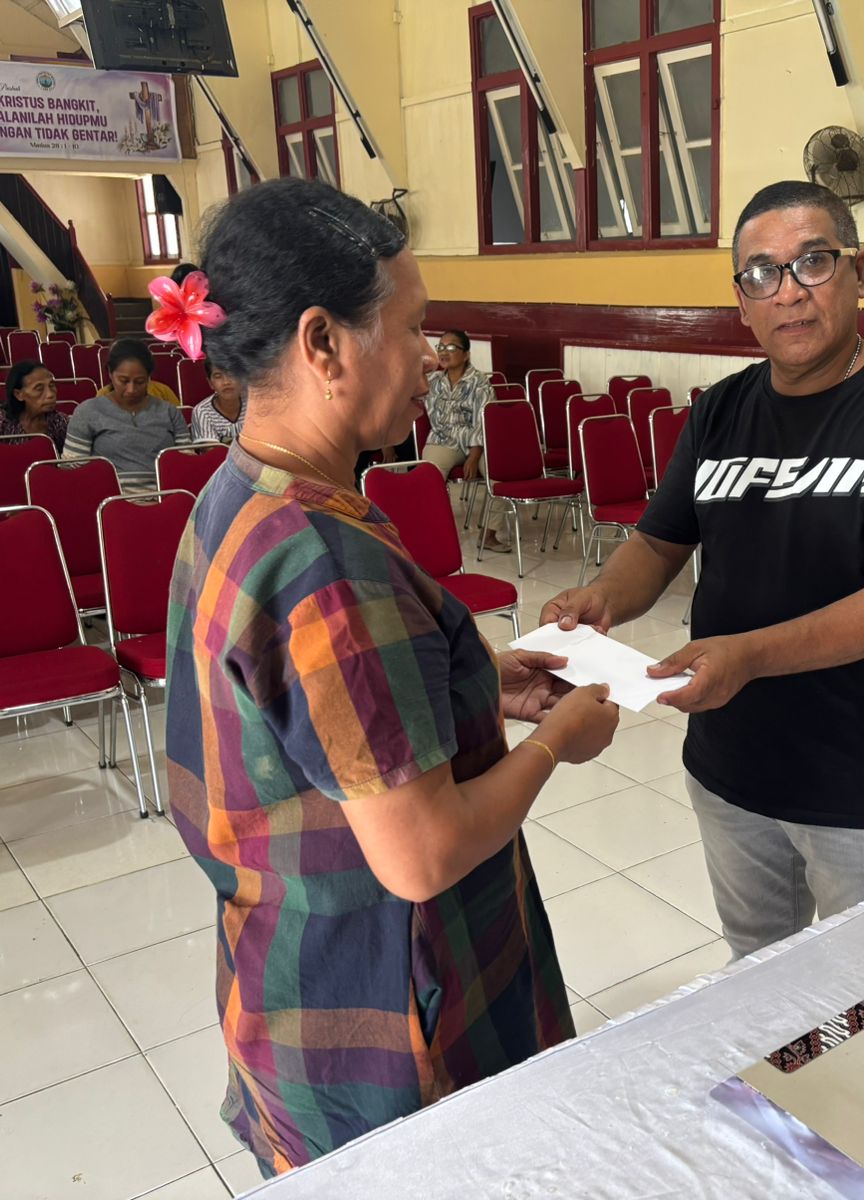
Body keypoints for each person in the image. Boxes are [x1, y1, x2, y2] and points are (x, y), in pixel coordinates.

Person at [166, 178, 620, 1178]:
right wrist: (557, 741)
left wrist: (476, 681)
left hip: (287, 980)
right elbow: (421, 854)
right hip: (388, 1022)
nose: (429, 357)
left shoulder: (243, 494)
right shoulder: (328, 562)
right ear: (323, 343)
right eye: (413, 329)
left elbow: (311, 715)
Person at [543, 180, 864, 961]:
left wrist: (746, 655)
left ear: (860, 272)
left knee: (856, 990)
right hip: (731, 761)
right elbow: (660, 542)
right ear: (741, 301)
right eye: (761, 274)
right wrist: (604, 596)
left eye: (813, 262)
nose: (789, 292)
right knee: (756, 962)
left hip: (861, 772)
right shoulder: (721, 410)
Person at [422, 330, 506, 551]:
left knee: (498, 473)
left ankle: (489, 534)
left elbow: (483, 420)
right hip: (442, 439)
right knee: (429, 475)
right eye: (440, 347)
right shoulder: (432, 380)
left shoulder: (479, 382)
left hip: (476, 442)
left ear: (466, 354)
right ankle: (434, 531)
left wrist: (474, 456)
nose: (444, 352)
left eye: (451, 348)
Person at [66, 341, 190, 489]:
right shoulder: (88, 411)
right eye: (123, 381)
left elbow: (186, 462)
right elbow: (74, 469)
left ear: (149, 377)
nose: (131, 389)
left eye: (140, 382)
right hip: (110, 496)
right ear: (110, 373)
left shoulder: (169, 412)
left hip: (165, 495)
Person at [0, 361, 68, 459]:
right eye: (39, 389)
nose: (50, 394)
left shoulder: (60, 422)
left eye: (52, 385)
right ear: (18, 394)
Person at [188, 358, 243, 443]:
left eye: (231, 374)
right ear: (210, 383)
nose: (226, 382)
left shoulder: (256, 403)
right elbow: (212, 450)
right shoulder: (202, 411)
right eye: (218, 376)